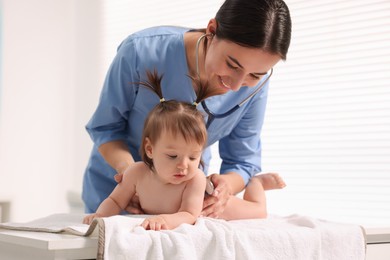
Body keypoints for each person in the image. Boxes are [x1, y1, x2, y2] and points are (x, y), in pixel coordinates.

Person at [82, 0, 291, 218]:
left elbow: (242, 161)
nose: (237, 85)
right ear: (212, 30)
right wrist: (134, 179)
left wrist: (222, 188)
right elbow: (106, 129)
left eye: (255, 75)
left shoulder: (254, 89)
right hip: (113, 193)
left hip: (180, 203)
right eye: (232, 65)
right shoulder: (141, 52)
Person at [83, 72, 284, 230]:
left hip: (219, 207)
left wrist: (166, 221)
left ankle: (257, 183)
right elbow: (115, 200)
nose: (183, 165)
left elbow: (189, 214)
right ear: (150, 149)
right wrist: (100, 216)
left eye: (194, 157)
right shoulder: (136, 173)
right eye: (172, 156)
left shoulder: (194, 179)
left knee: (258, 211)